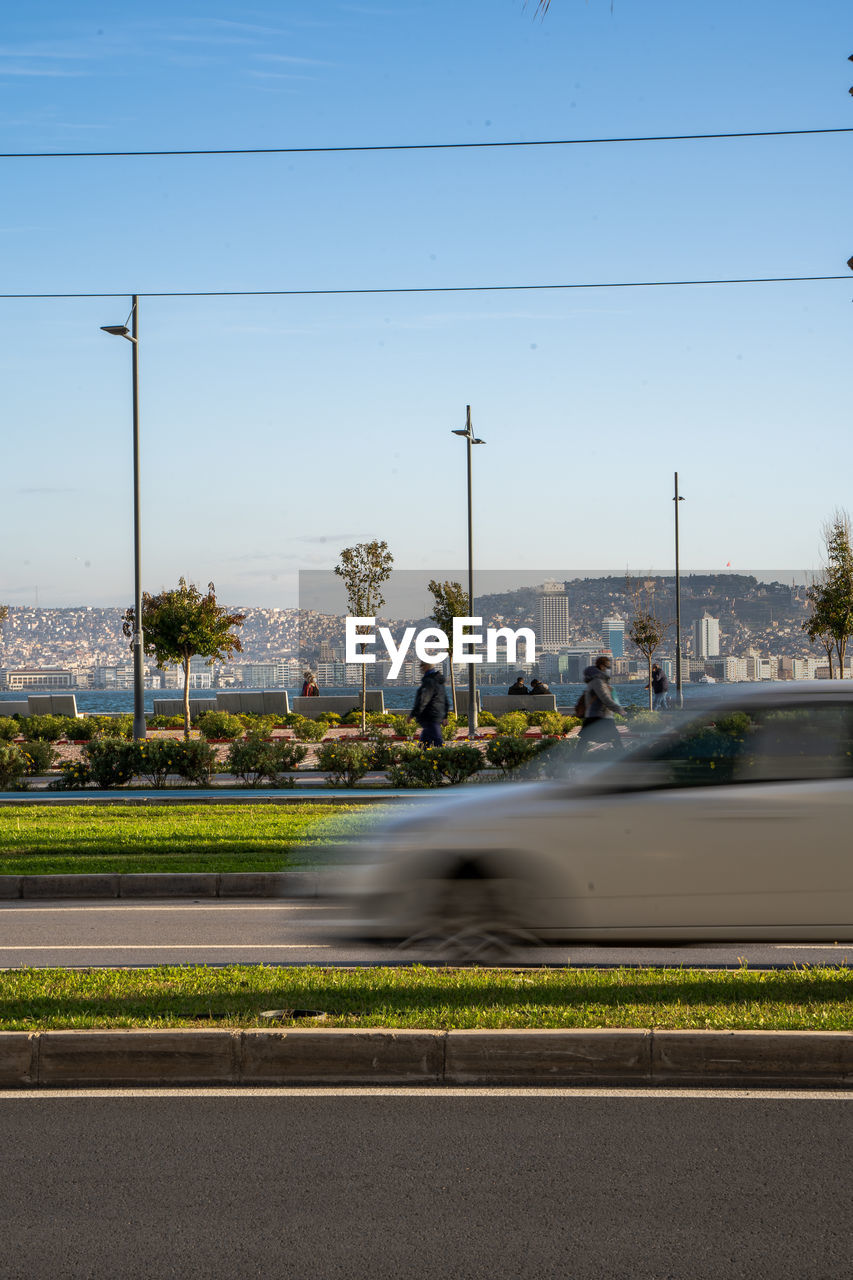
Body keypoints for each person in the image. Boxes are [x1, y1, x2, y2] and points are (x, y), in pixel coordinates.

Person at [577, 656, 626, 755]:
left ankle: (574, 759)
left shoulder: (597, 680)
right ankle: (624, 757)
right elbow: (605, 698)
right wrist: (619, 709)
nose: (609, 669)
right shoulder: (598, 681)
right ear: (601, 666)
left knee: (585, 739)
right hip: (600, 715)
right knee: (614, 737)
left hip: (596, 714)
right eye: (607, 667)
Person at [410, 660, 449, 749]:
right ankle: (420, 760)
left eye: (422, 666)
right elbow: (445, 700)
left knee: (438, 744)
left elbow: (423, 700)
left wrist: (412, 715)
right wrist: (445, 716)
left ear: (426, 666)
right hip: (435, 716)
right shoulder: (438, 681)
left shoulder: (429, 681)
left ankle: (446, 760)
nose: (421, 668)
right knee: (423, 745)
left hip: (431, 717)